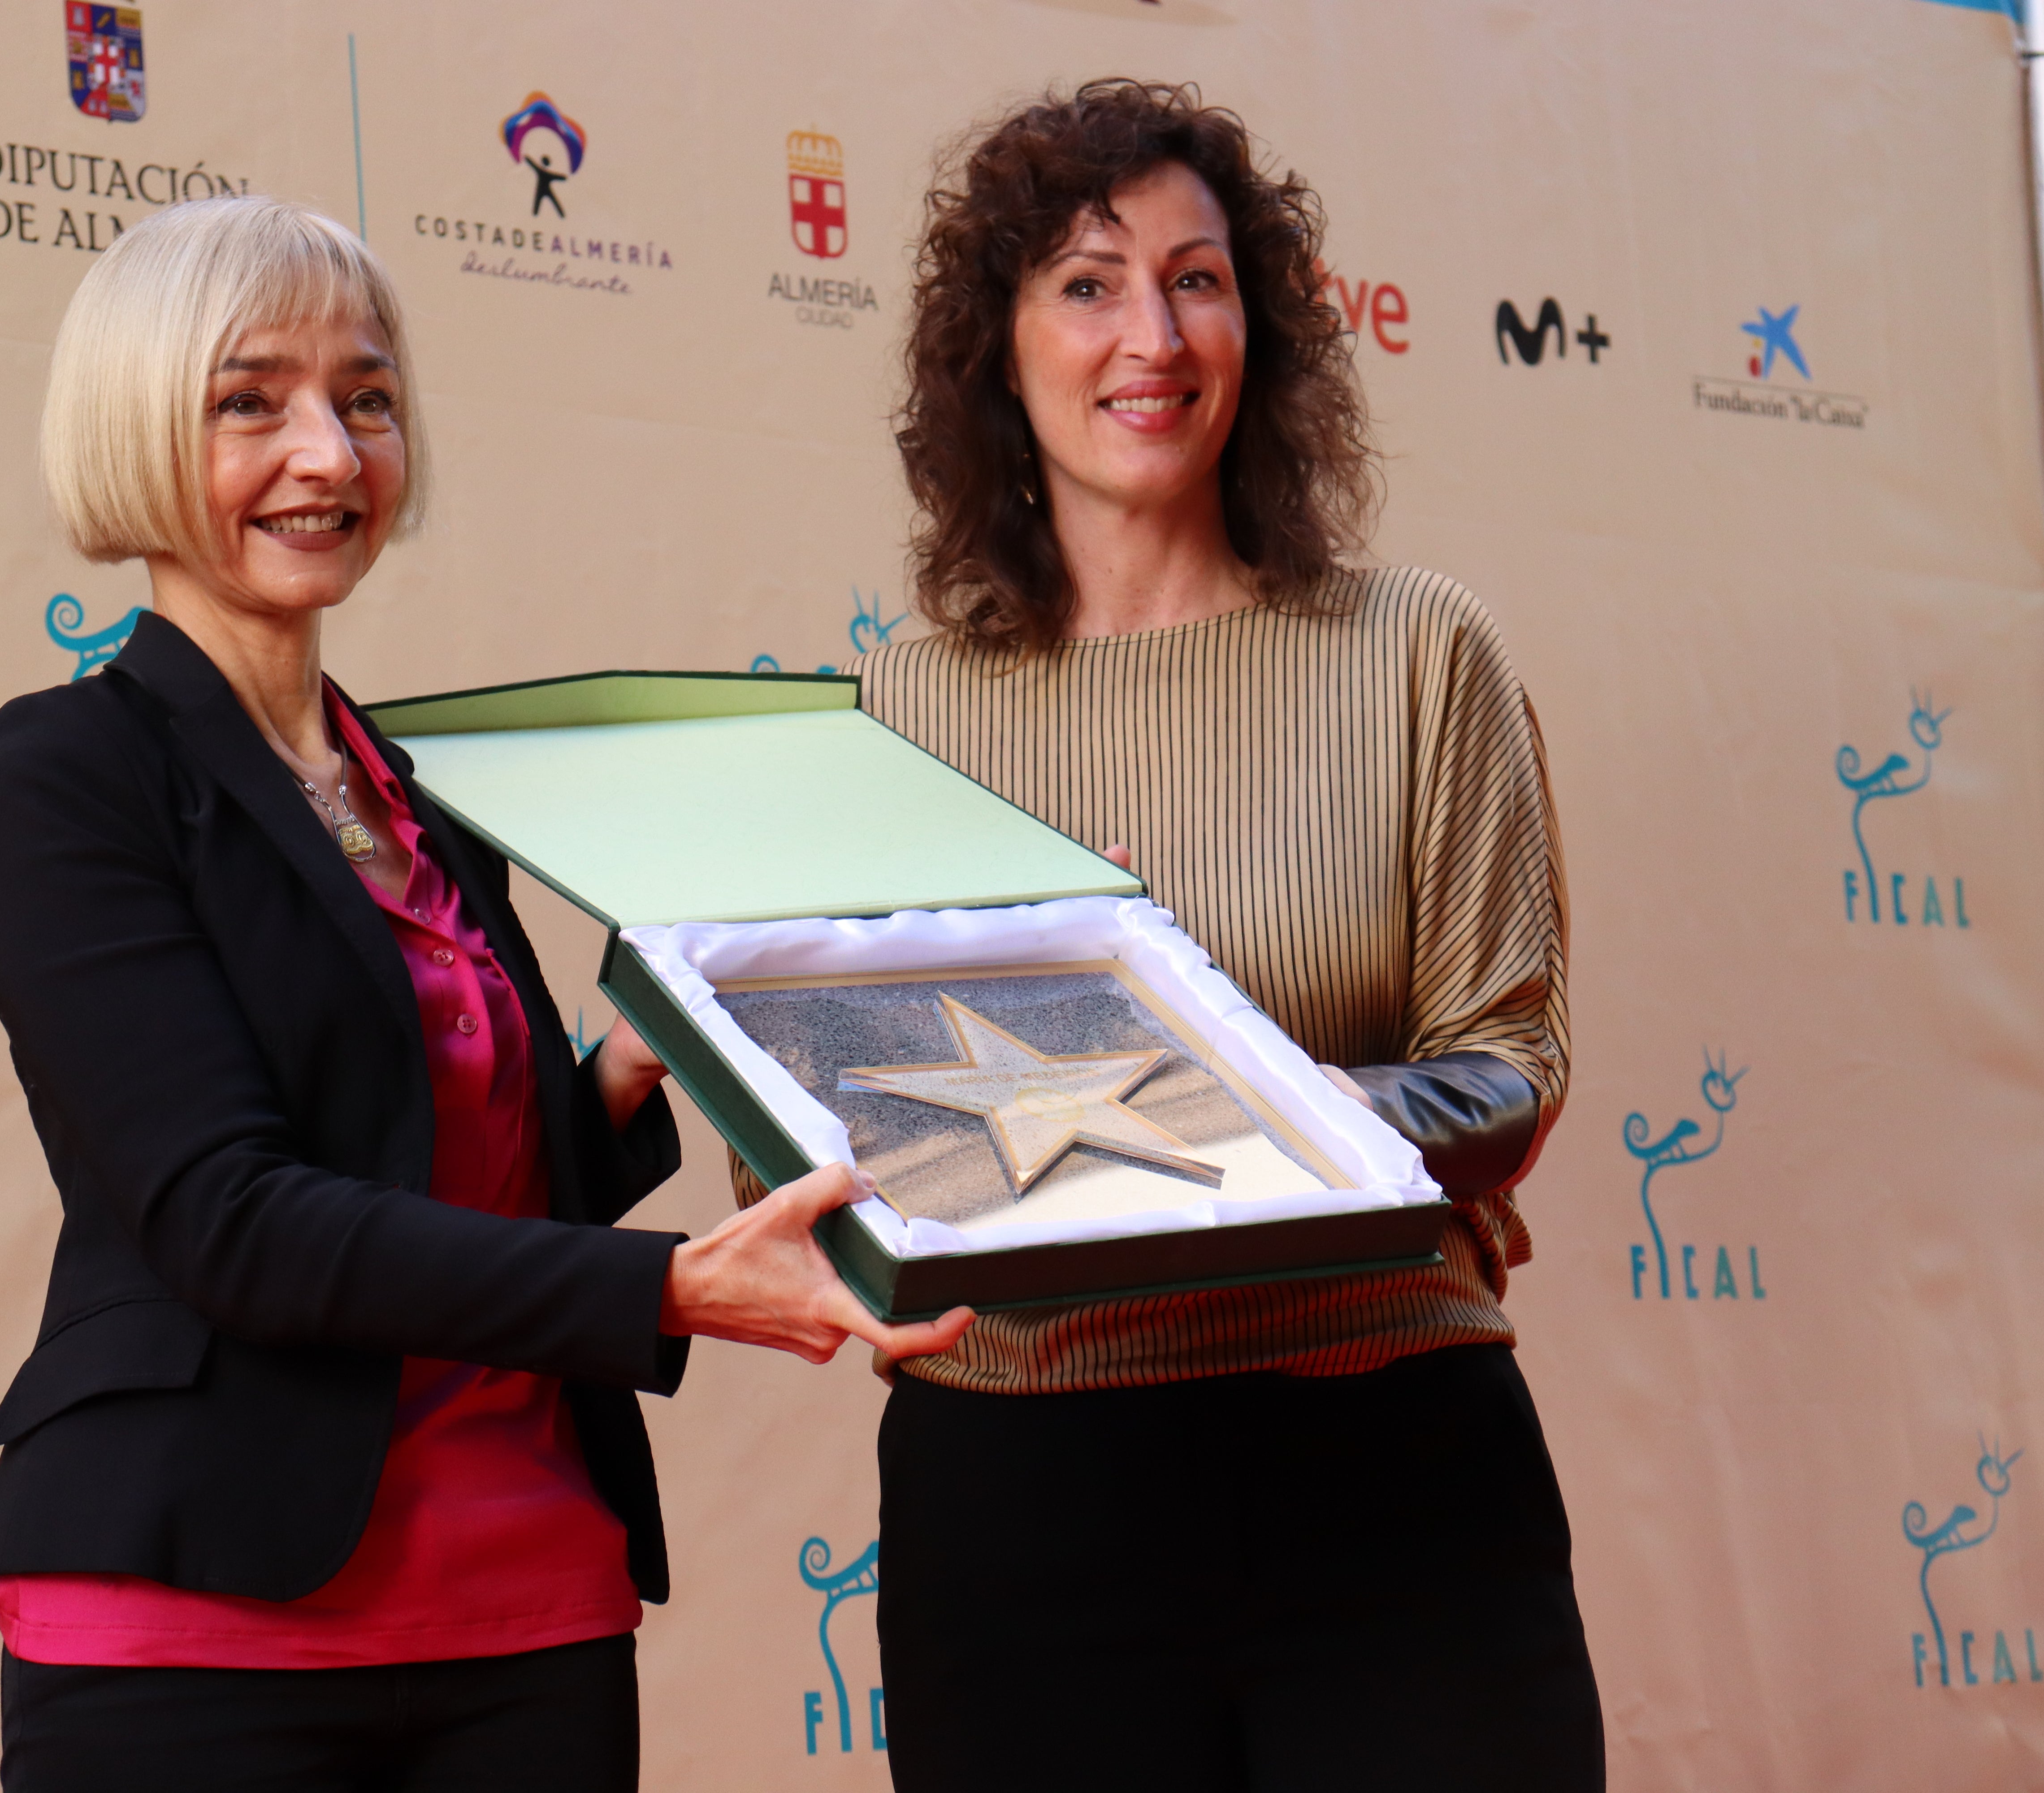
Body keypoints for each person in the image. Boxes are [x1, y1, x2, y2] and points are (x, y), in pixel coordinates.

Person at [0, 195, 966, 1793]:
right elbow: (230, 1216)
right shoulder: (69, 773)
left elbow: (455, 1167)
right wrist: (665, 1293)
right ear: (138, 432)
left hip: (527, 1607)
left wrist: (644, 1055)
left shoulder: (408, 795)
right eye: (251, 401)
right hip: (203, 1617)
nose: (332, 455)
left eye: (366, 398)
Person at [820, 81, 1601, 1789]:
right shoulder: (888, 717)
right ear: (998, 352)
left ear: (1260, 325)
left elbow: (1508, 1075)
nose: (1151, 335)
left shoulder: (1419, 653)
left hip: (1394, 1475)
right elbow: (816, 1155)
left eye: (1198, 278)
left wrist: (1172, 1069)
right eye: (1088, 285)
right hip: (1023, 1502)